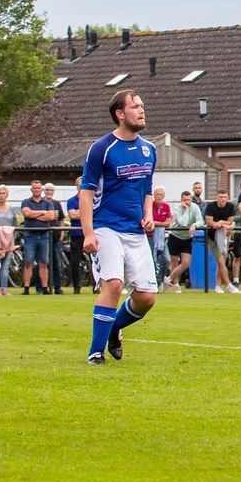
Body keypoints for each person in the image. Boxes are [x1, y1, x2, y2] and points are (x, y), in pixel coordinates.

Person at [81, 89, 158, 365]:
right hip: (106, 228)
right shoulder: (102, 148)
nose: (141, 110)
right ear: (120, 114)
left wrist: (147, 213)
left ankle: (113, 327)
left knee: (146, 298)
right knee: (113, 284)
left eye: (142, 105)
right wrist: (88, 233)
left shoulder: (150, 149)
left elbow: (147, 187)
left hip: (135, 232)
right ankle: (95, 354)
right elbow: (86, 194)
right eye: (135, 106)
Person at [20, 180, 56, 295]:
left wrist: (34, 215)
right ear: (31, 190)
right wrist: (42, 212)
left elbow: (51, 217)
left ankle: (45, 288)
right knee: (28, 262)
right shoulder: (26, 202)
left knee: (44, 263)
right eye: (35, 188)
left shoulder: (48, 202)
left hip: (44, 236)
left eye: (39, 188)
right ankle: (26, 288)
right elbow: (27, 214)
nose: (37, 190)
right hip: (30, 236)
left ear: (41, 190)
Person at [164, 190, 203, 290]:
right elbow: (183, 223)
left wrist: (194, 225)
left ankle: (168, 280)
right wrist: (186, 210)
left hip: (187, 238)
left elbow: (200, 220)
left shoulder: (195, 207)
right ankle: (176, 285)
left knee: (186, 263)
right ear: (181, 200)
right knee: (174, 261)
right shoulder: (177, 209)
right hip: (175, 236)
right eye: (185, 200)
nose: (187, 202)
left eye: (189, 200)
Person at [204, 190, 238, 293]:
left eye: (225, 197)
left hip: (224, 236)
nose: (223, 199)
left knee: (222, 262)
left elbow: (230, 221)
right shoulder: (211, 206)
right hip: (212, 237)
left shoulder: (230, 206)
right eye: (221, 197)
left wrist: (222, 223)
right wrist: (219, 224)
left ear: (227, 198)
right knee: (221, 261)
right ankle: (228, 284)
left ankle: (217, 286)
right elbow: (209, 221)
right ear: (217, 197)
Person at [44, 183, 67, 295]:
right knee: (44, 262)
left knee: (57, 263)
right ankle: (44, 287)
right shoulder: (42, 203)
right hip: (44, 236)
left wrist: (62, 232)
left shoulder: (57, 203)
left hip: (56, 236)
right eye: (47, 190)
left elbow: (62, 219)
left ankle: (58, 286)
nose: (49, 192)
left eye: (51, 190)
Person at [65, 176, 87, 293]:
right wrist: (86, 212)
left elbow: (95, 214)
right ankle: (76, 286)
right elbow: (72, 215)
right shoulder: (71, 201)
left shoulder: (92, 199)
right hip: (76, 234)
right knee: (75, 262)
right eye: (80, 185)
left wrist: (80, 212)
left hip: (89, 233)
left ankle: (96, 286)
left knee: (95, 260)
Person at [149, 186, 172, 292]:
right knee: (152, 260)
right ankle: (153, 283)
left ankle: (161, 279)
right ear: (154, 195)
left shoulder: (166, 207)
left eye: (161, 194)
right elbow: (149, 221)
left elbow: (168, 222)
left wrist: (157, 223)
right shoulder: (150, 206)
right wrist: (160, 223)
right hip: (150, 236)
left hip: (162, 237)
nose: (159, 196)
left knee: (167, 259)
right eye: (157, 194)